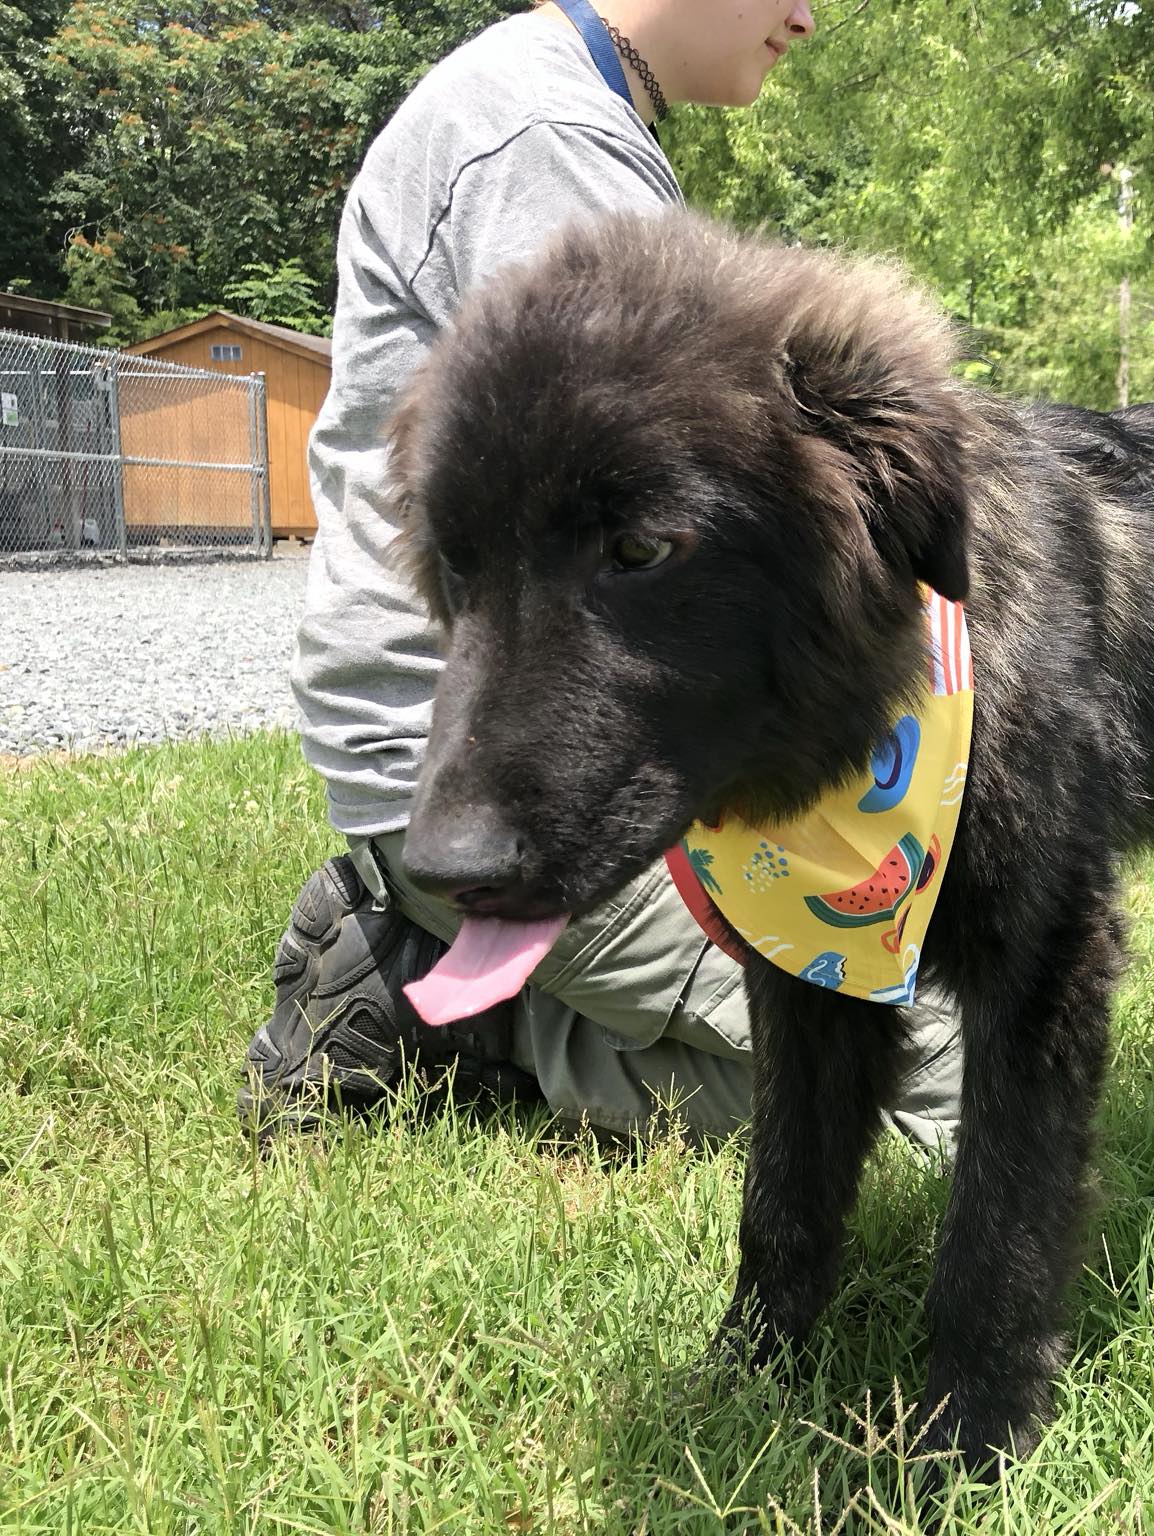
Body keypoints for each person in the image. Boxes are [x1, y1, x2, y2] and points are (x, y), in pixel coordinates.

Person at [238, 0, 965, 1151]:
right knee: (937, 1090)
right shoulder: (543, 142)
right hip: (482, 787)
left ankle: (479, 973)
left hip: (496, 749)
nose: (804, 15)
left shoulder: (567, 113)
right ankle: (457, 1016)